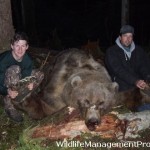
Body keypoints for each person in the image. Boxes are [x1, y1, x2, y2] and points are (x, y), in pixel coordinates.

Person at [0, 32, 44, 122]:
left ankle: (24, 96)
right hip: (4, 84)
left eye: (23, 46)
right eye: (17, 45)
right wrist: (6, 90)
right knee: (14, 69)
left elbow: (25, 76)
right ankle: (9, 105)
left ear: (27, 47)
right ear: (12, 46)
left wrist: (29, 83)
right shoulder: (3, 61)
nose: (20, 49)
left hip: (17, 80)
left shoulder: (27, 60)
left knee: (39, 74)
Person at [105, 25, 150, 92]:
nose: (128, 39)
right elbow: (118, 70)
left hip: (138, 82)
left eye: (130, 36)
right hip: (120, 84)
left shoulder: (139, 50)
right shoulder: (111, 51)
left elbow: (143, 66)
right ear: (120, 37)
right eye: (125, 36)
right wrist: (135, 81)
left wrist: (147, 77)